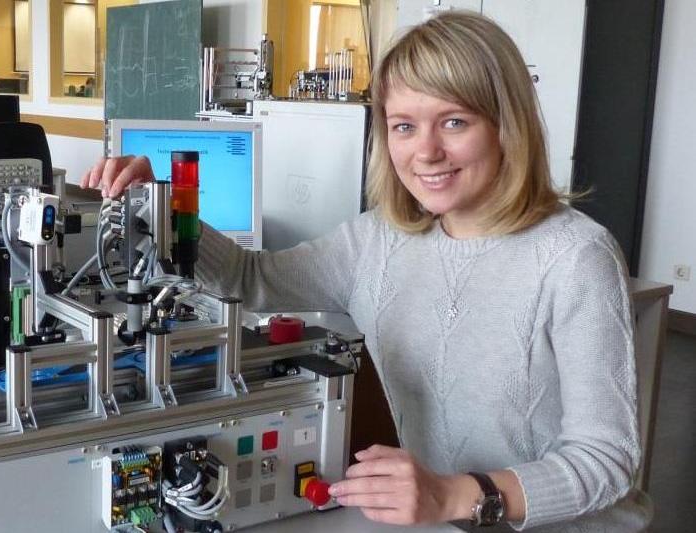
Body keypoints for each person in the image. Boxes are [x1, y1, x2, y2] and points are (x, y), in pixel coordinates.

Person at [82, 11, 647, 532]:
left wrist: (459, 496)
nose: (425, 152)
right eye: (404, 126)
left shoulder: (574, 257)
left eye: (454, 121)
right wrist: (160, 204)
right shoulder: (379, 238)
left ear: (507, 126)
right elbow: (250, 281)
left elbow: (607, 459)